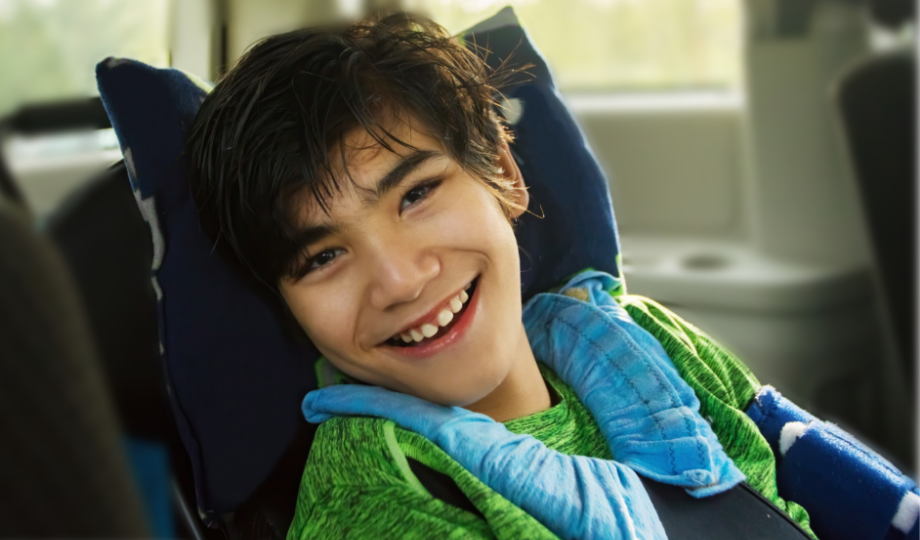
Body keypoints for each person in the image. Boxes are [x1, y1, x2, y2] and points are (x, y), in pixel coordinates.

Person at [187, 11, 917, 540]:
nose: (401, 281)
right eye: (321, 257)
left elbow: (858, 491)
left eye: (416, 194)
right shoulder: (381, 500)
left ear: (502, 172)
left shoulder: (641, 342)